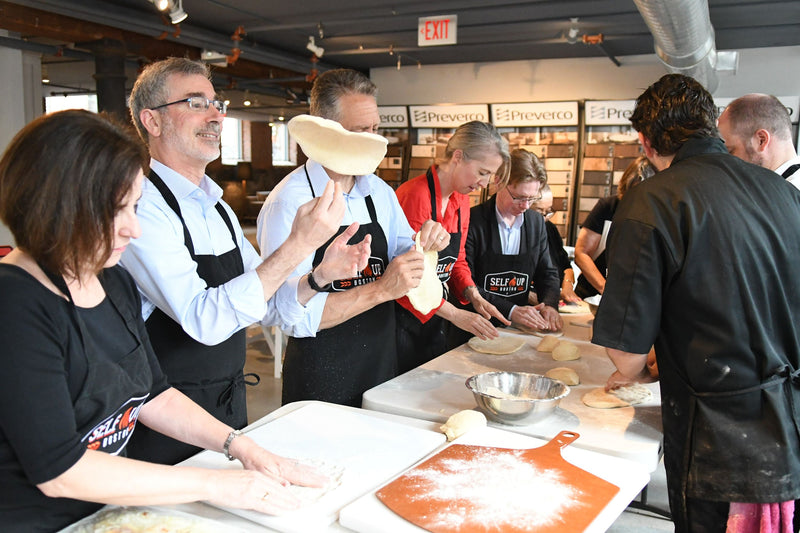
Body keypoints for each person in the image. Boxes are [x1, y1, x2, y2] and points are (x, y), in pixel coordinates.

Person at [0, 110, 327, 532]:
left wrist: (241, 446)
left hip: (107, 512)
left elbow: (153, 394)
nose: (133, 229)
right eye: (116, 210)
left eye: (135, 206)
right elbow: (59, 471)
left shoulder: (112, 279)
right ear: (59, 206)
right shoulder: (16, 305)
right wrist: (216, 485)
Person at [120, 58, 358, 465]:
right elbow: (203, 320)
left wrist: (317, 277)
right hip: (166, 422)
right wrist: (297, 247)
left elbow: (265, 304)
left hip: (228, 410)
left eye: (217, 103)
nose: (216, 115)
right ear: (152, 121)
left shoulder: (217, 208)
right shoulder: (142, 208)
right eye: (196, 103)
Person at [592, 73, 800, 532]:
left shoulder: (652, 202)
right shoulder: (785, 194)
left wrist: (641, 369)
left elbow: (625, 353)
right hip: (789, 421)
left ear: (646, 143)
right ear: (710, 124)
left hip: (717, 439)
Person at [257, 68, 451, 406]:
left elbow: (406, 253)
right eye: (362, 131)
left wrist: (427, 244)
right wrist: (380, 290)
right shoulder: (290, 202)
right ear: (324, 130)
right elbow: (286, 313)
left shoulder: (378, 192)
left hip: (380, 360)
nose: (374, 142)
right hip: (322, 374)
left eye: (376, 129)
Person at [394, 121, 511, 373]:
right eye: (482, 171)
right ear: (458, 157)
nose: (485, 183)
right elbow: (408, 279)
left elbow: (457, 260)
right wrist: (457, 315)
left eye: (490, 175)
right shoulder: (416, 196)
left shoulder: (461, 200)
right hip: (402, 323)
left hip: (436, 320)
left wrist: (473, 294)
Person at [459, 148, 562, 342]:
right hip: (476, 329)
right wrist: (512, 310)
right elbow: (466, 283)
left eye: (532, 199)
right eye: (519, 197)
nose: (525, 205)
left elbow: (547, 273)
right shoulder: (472, 221)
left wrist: (549, 304)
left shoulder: (536, 223)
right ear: (499, 181)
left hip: (519, 331)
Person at [573, 154, 654, 298]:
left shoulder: (656, 214)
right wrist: (605, 289)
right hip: (591, 293)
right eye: (632, 192)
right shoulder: (608, 207)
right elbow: (581, 253)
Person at [717, 93, 800, 187]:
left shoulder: (791, 192)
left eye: (731, 151)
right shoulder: (775, 187)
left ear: (761, 140)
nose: (728, 161)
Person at [532, 184, 581, 304]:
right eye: (539, 212)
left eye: (548, 212)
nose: (544, 218)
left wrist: (567, 287)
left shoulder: (549, 228)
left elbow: (566, 265)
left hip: (553, 300)